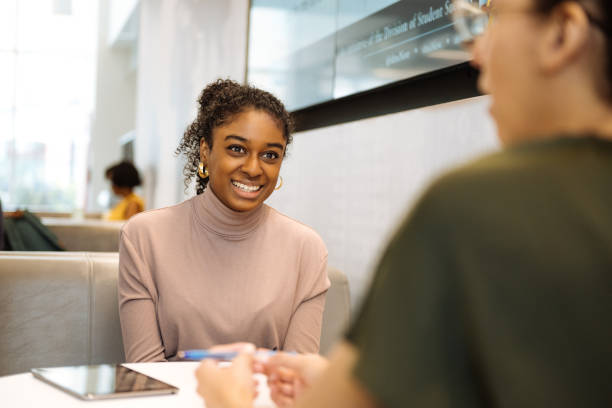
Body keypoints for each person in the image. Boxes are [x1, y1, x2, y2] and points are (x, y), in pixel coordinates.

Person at [194, 0, 612, 407]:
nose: (477, 51)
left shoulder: (474, 205)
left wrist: (228, 402)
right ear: (203, 153)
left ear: (563, 31)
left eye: (493, 17)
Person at [118, 79, 330, 362]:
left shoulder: (306, 248)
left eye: (270, 155)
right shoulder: (144, 236)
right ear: (206, 151)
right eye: (237, 149)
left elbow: (294, 376)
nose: (254, 168)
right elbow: (146, 370)